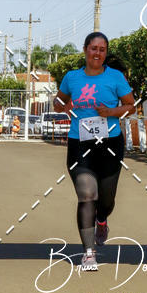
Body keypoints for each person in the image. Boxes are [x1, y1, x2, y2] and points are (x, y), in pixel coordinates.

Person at [54, 31, 135, 272]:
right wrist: (64, 106)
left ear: (105, 53)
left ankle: (102, 219)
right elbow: (57, 103)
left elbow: (131, 106)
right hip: (80, 143)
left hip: (110, 144)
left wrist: (111, 112)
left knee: (106, 200)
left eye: (102, 49)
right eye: (93, 48)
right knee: (87, 194)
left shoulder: (115, 77)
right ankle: (89, 253)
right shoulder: (72, 78)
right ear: (85, 50)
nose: (97, 53)